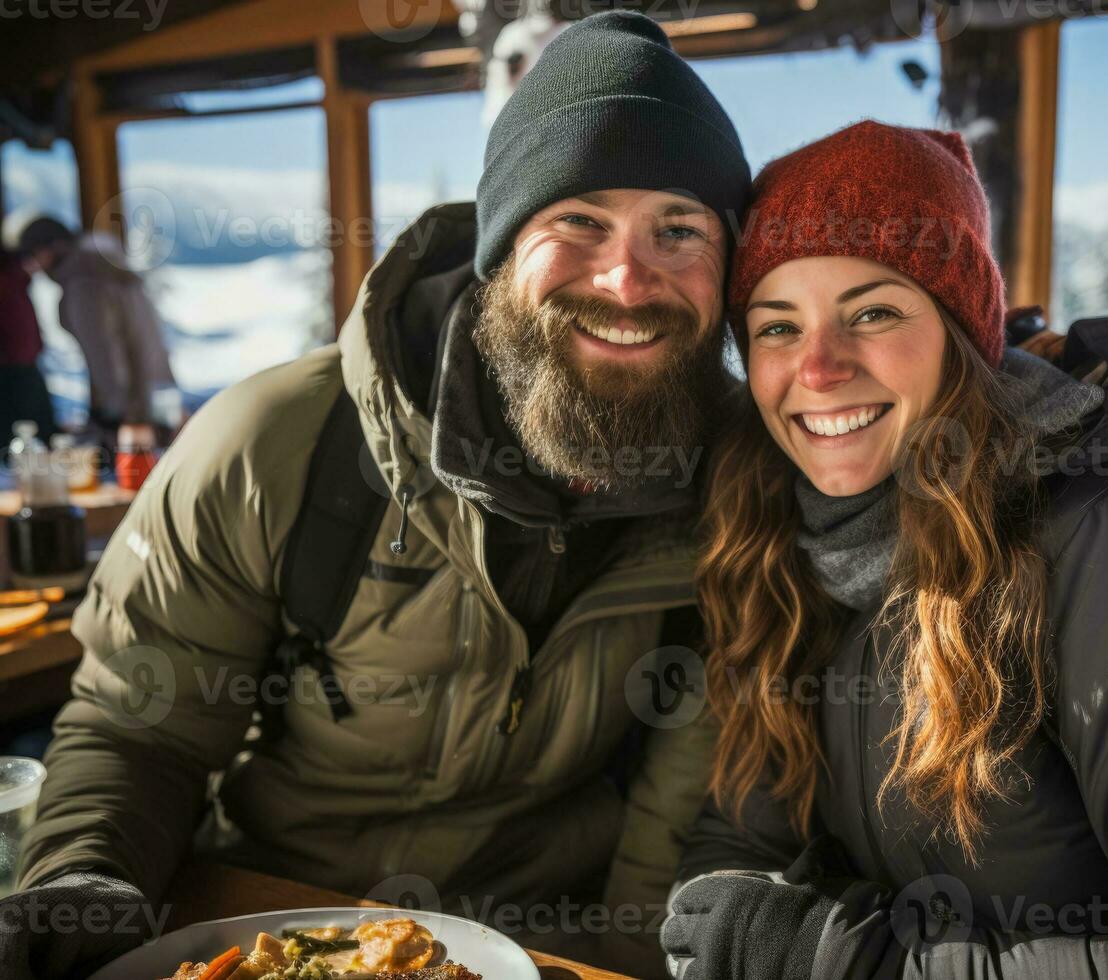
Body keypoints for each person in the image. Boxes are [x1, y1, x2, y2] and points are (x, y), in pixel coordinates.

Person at [2, 11, 748, 979]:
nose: (626, 276)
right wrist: (88, 885)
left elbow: (684, 794)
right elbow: (141, 725)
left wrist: (627, 963)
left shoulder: (737, 485)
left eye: (678, 228)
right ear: (499, 251)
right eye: (579, 220)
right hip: (266, 923)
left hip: (540, 940)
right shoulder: (275, 444)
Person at [662, 121, 1108, 978]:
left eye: (874, 312)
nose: (819, 367)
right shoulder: (785, 542)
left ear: (963, 336)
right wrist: (721, 922)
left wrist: (843, 961)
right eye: (778, 327)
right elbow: (740, 837)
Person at [16, 215, 175, 435]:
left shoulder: (84, 285)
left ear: (53, 247)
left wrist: (115, 413)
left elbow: (105, 355)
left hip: (132, 410)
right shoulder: (103, 267)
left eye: (33, 255)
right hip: (152, 394)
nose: (32, 266)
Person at [0, 244, 57, 443]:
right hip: (13, 367)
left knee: (38, 440)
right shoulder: (11, 276)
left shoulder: (13, 274)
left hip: (22, 365)